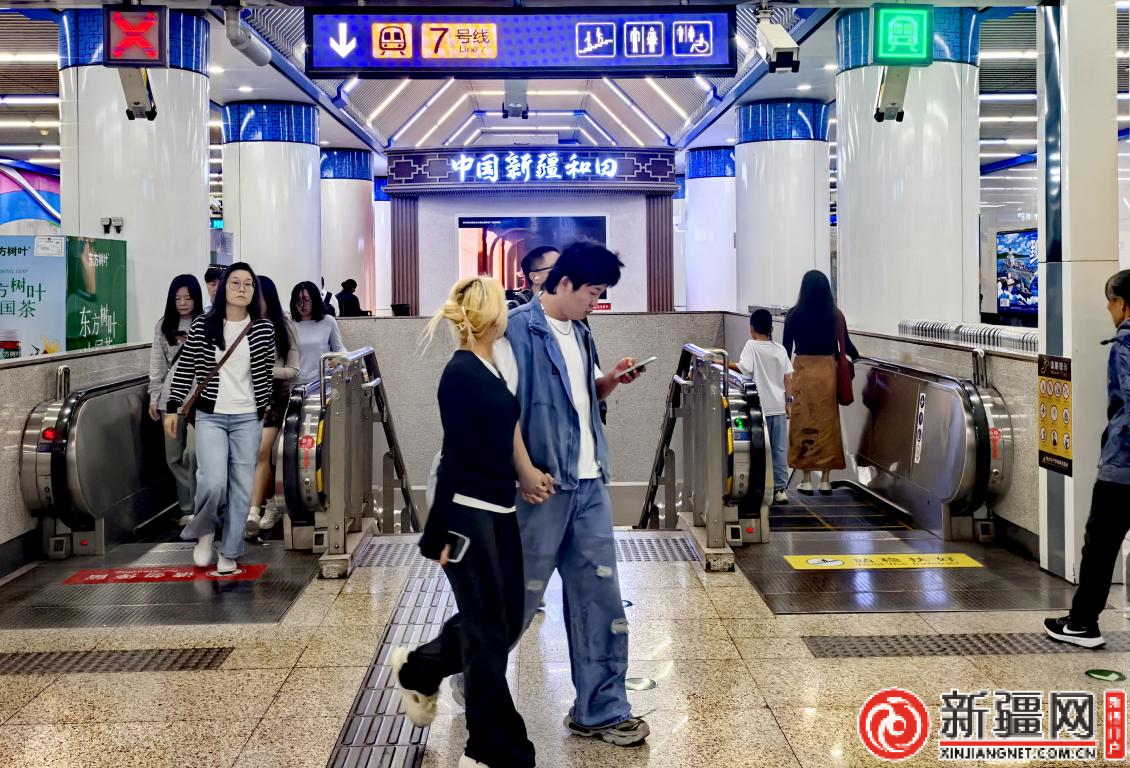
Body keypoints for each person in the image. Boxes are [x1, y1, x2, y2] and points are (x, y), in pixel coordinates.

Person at [492, 241, 650, 746]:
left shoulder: (581, 330)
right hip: (540, 488)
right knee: (515, 598)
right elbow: (499, 408)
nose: (595, 302)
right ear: (563, 283)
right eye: (592, 292)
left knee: (600, 600)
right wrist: (523, 470)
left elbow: (584, 395)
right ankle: (468, 674)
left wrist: (611, 380)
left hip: (588, 482)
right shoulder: (516, 330)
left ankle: (600, 710)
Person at [390, 277, 552, 768]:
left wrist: (525, 473)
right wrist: (437, 530)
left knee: (500, 623)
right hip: (466, 514)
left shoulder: (490, 363)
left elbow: (502, 433)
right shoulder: (460, 374)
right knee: (486, 636)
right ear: (491, 316)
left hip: (499, 510)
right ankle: (495, 747)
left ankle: (421, 667)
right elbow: (455, 454)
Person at [165, 262, 275, 574]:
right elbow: (186, 367)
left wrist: (264, 409)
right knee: (212, 482)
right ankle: (204, 534)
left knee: (241, 487)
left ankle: (230, 550)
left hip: (248, 417)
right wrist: (173, 406)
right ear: (224, 287)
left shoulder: (263, 329)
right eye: (236, 283)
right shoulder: (204, 324)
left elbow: (266, 373)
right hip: (210, 415)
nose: (242, 289)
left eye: (248, 284)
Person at [1045, 270, 1130, 649]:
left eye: (1110, 303)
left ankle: (1081, 624)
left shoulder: (1125, 343)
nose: (1109, 311)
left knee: (1100, 547)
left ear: (1123, 304)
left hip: (1122, 469)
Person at [782, 270, 858, 495]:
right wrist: (859, 358)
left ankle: (806, 480)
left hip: (803, 373)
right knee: (827, 425)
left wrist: (784, 385)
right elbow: (848, 346)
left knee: (803, 424)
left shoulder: (794, 315)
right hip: (827, 374)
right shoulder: (835, 315)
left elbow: (785, 349)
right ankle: (825, 480)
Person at [148, 274, 204, 525]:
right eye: (178, 298)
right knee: (173, 457)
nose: (182, 303)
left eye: (188, 298)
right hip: (170, 400)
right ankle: (187, 507)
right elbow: (157, 363)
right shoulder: (164, 325)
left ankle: (199, 507)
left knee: (193, 454)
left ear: (196, 299)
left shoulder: (206, 323)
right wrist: (154, 397)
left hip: (199, 398)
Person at [245, 275, 299, 538]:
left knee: (262, 450)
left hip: (275, 397)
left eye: (259, 297)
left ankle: (257, 510)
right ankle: (264, 502)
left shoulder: (284, 327)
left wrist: (265, 370)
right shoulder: (243, 325)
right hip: (245, 396)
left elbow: (293, 370)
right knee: (250, 454)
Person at [738, 308, 794, 504]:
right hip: (778, 407)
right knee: (779, 450)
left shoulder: (751, 346)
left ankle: (760, 489)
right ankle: (780, 490)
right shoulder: (780, 349)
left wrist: (722, 362)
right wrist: (788, 402)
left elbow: (744, 368)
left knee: (758, 449)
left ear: (752, 327)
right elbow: (788, 379)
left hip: (759, 408)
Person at [290, 280, 345, 386]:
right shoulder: (289, 324)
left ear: (315, 300)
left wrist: (339, 358)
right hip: (295, 383)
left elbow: (339, 348)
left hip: (321, 382)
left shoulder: (328, 321)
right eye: (298, 301)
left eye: (307, 300)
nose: (302, 305)